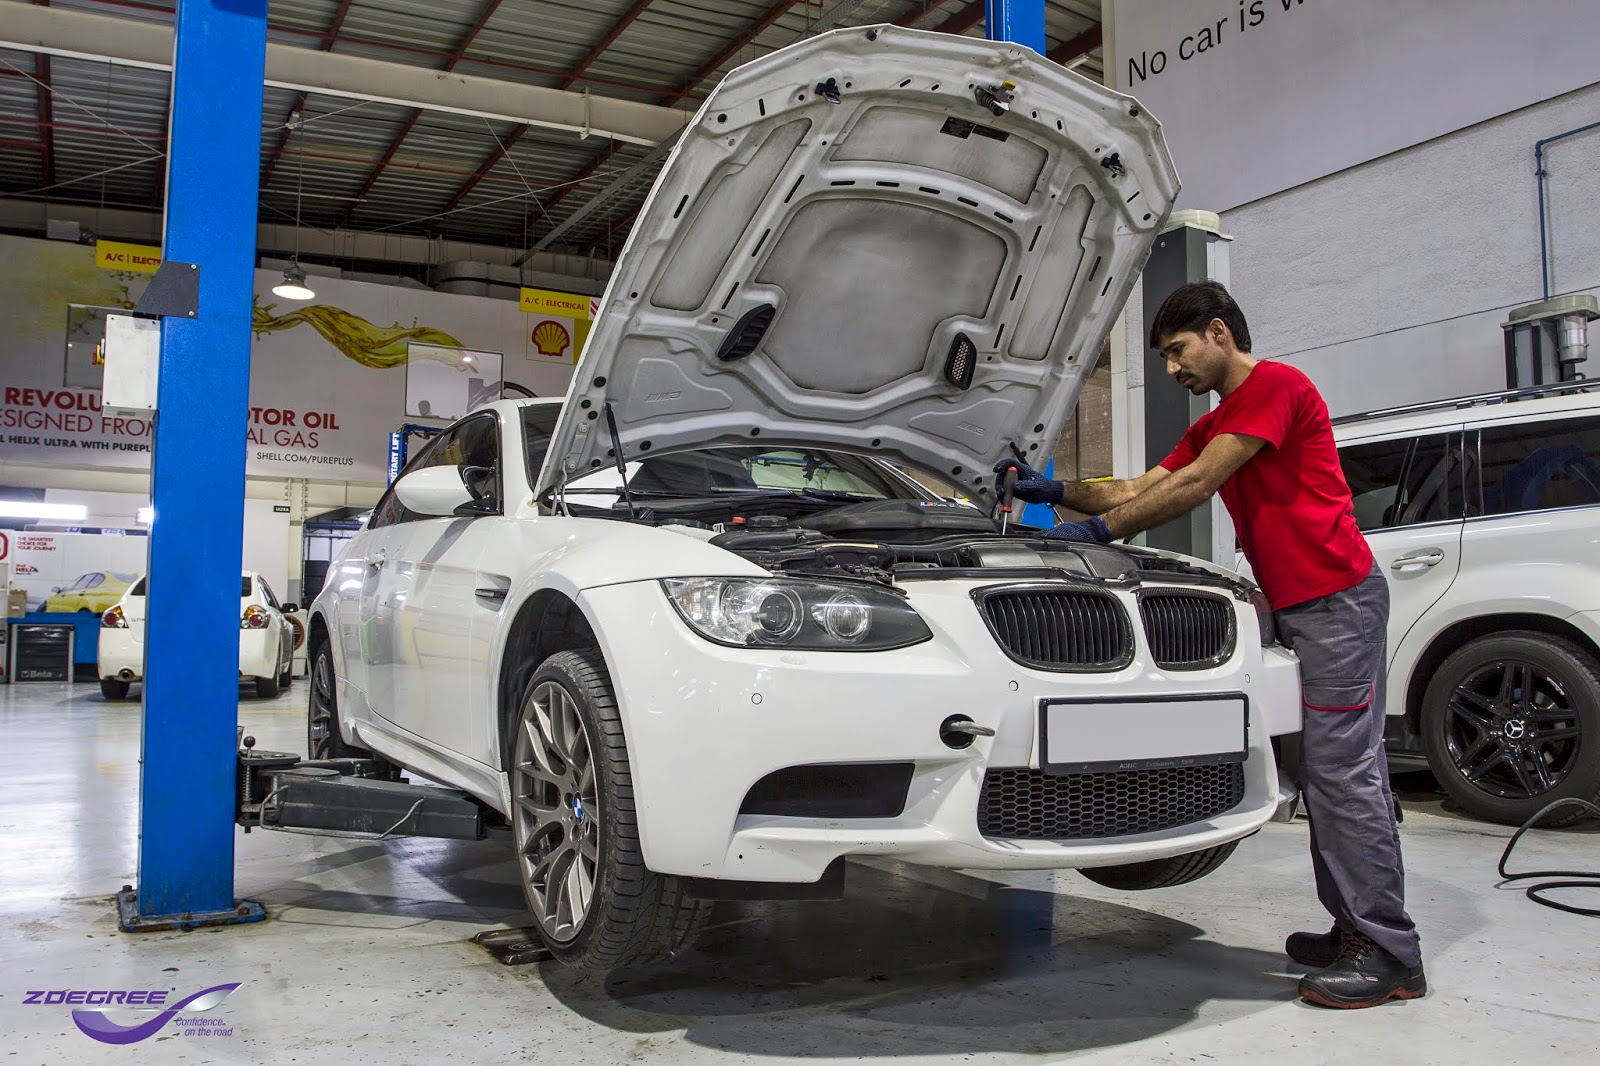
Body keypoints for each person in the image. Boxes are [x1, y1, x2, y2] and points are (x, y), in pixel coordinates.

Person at [995, 281, 1424, 1010]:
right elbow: (1137, 483)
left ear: (1219, 333)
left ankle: (1388, 951)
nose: (1171, 369)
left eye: (1176, 351)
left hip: (1337, 603)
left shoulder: (1277, 388)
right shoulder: (1219, 420)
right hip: (1297, 604)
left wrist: (1100, 535)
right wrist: (1058, 488)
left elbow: (1194, 486)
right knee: (1324, 773)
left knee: (1345, 773)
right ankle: (1353, 926)